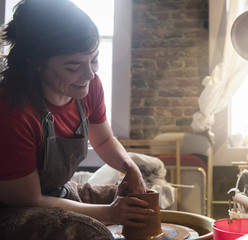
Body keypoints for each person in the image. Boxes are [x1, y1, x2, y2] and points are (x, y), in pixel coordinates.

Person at [0, 0, 153, 238]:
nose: (89, 74)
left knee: (141, 204)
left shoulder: (88, 86)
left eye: (94, 60)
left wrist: (130, 168)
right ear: (36, 62)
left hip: (52, 191)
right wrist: (111, 214)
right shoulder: (13, 111)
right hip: (13, 207)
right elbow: (30, 199)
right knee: (92, 233)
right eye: (74, 66)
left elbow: (102, 141)